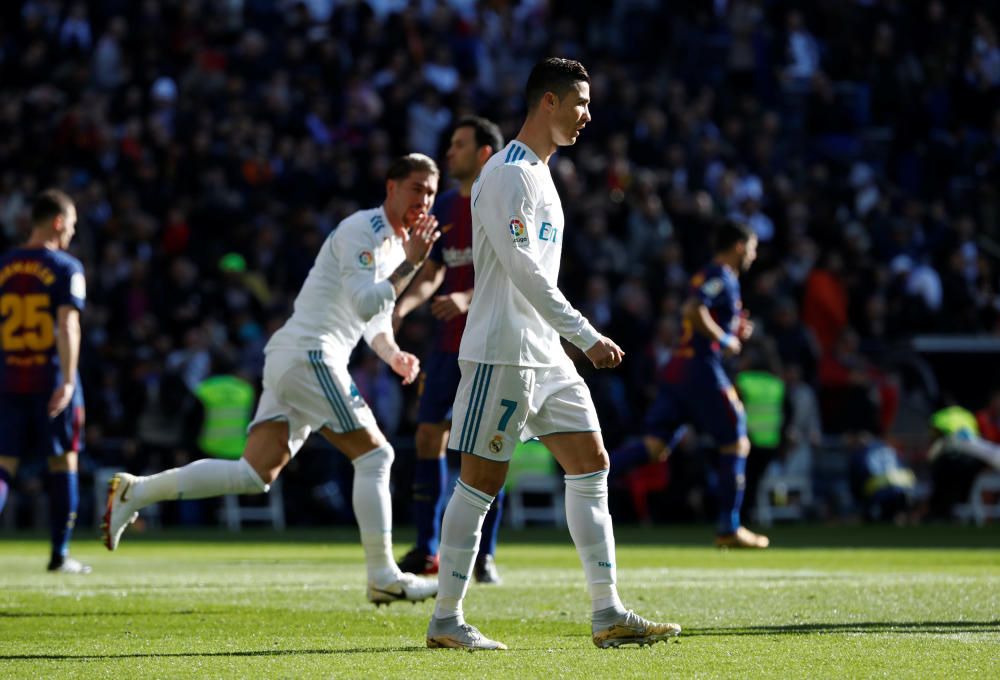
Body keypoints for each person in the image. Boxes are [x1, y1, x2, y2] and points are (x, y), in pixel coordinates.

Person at [103, 154, 442, 605]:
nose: (424, 199)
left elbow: (372, 320)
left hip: (294, 356)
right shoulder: (362, 230)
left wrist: (392, 352)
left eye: (431, 192)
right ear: (391, 188)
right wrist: (412, 267)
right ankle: (382, 575)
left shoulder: (399, 246)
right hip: (311, 356)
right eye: (417, 188)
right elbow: (366, 301)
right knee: (376, 455)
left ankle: (137, 490)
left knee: (252, 474)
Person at [425, 57, 680, 651]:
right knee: (479, 483)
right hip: (502, 352)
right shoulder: (507, 174)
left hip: (545, 356)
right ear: (548, 102)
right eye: (580, 103)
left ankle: (608, 611)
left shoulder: (540, 174)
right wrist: (585, 334)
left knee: (592, 463)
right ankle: (445, 620)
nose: (587, 115)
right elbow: (521, 271)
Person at [392, 116, 505, 584]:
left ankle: (484, 555)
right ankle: (427, 549)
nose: (449, 152)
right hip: (447, 347)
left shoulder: (500, 204)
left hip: (490, 345)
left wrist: (466, 297)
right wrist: (403, 305)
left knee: (487, 449)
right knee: (427, 437)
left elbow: (513, 276)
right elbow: (436, 270)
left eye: (458, 145)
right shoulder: (448, 209)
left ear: (484, 153)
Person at [611, 219, 770, 548]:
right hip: (700, 368)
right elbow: (693, 309)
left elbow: (703, 311)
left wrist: (735, 328)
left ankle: (587, 476)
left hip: (678, 369)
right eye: (752, 248)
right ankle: (729, 527)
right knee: (736, 440)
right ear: (739, 246)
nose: (754, 255)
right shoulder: (719, 275)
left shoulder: (718, 278)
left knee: (654, 447)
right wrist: (726, 338)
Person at [0, 189, 90, 573]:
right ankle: (60, 554)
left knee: (3, 466)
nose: (71, 233)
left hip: (7, 377)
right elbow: (68, 323)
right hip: (51, 378)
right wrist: (68, 381)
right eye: (70, 225)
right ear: (57, 222)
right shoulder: (66, 267)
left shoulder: (2, 265)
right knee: (62, 462)